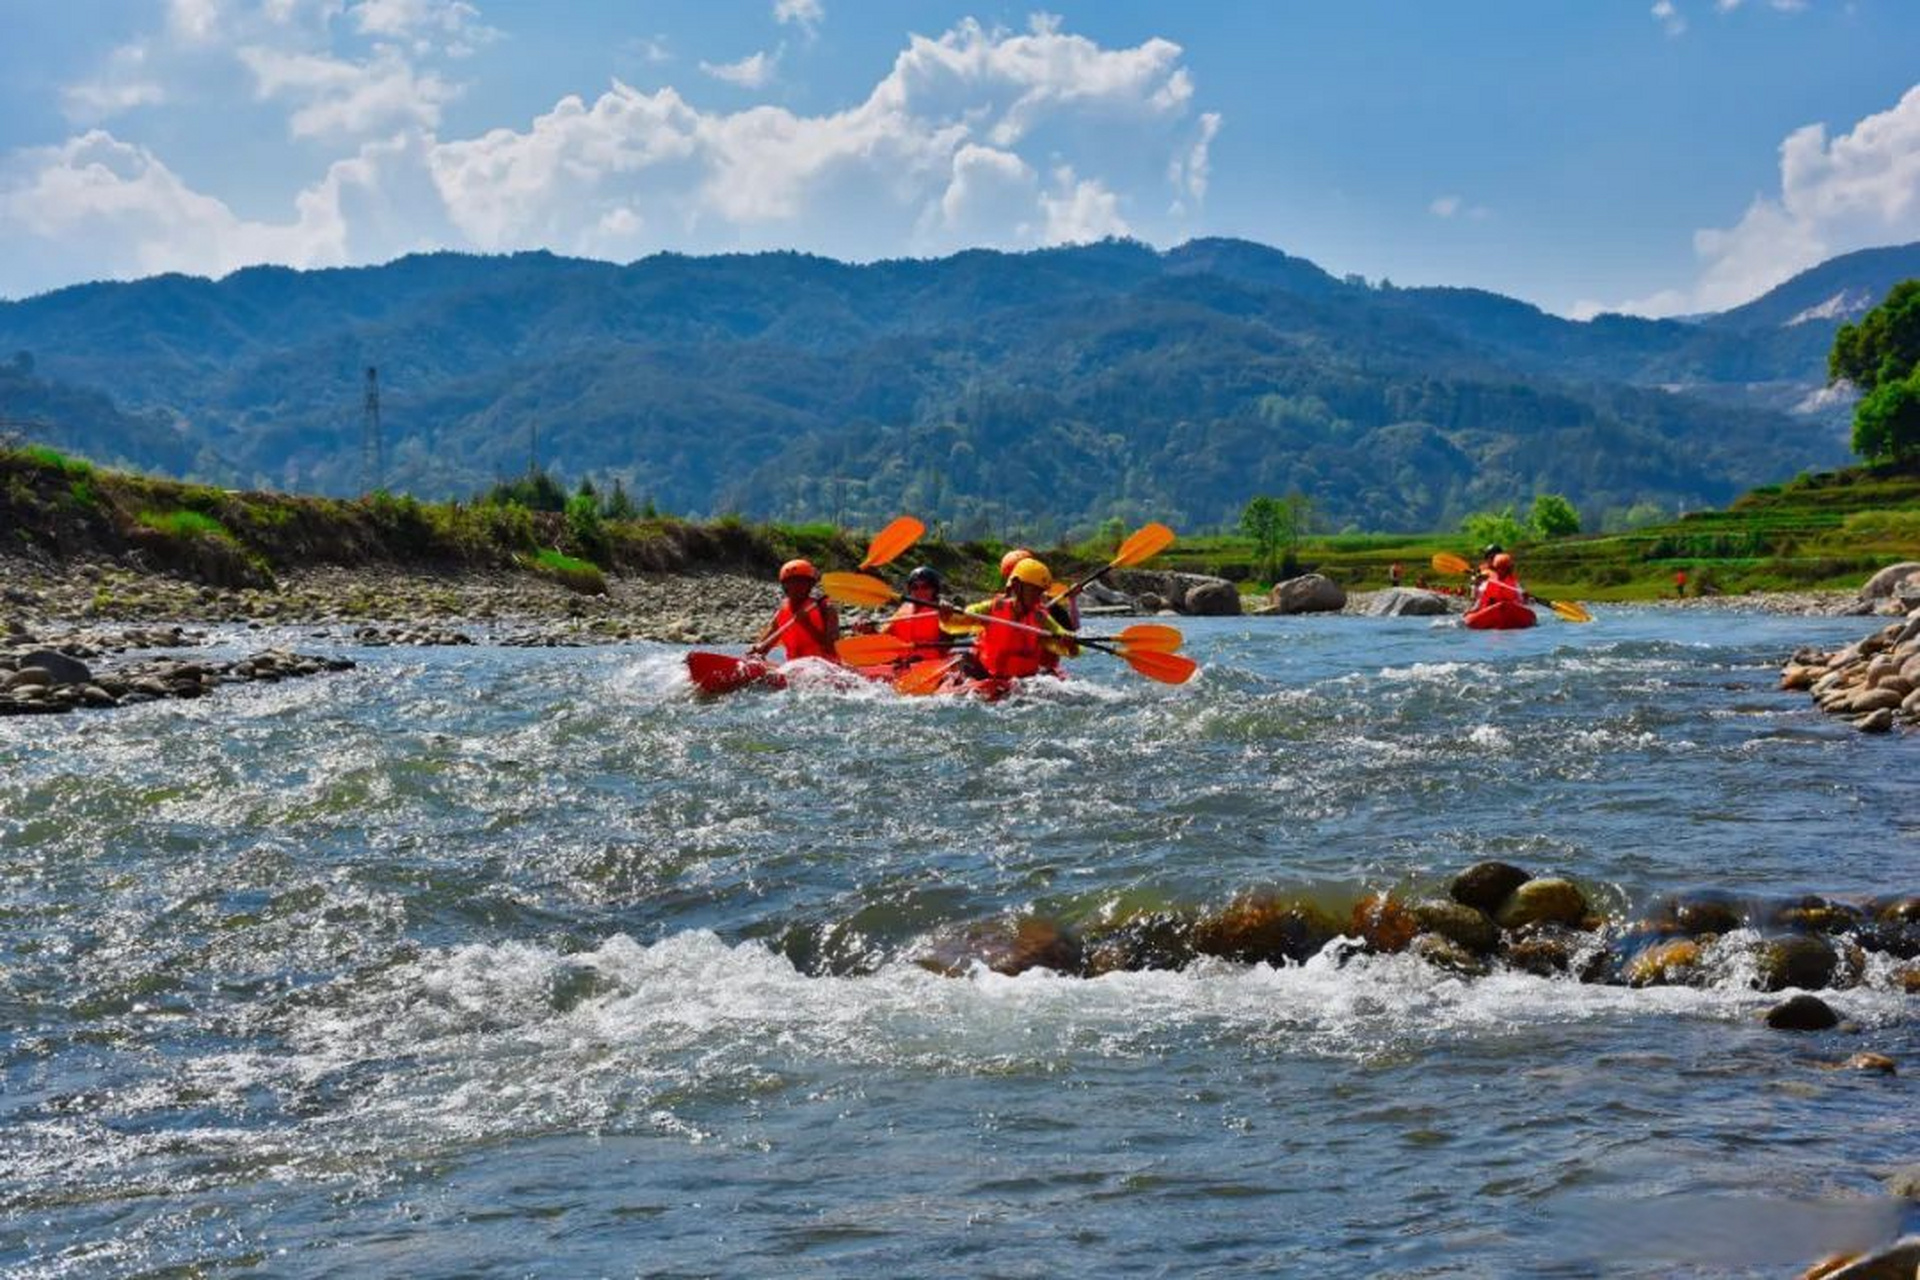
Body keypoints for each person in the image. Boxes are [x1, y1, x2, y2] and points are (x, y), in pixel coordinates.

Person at [955, 557, 1077, 680]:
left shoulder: (1041, 617)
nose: (1038, 598)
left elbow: (1064, 638)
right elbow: (963, 617)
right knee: (967, 659)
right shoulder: (992, 608)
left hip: (1023, 682)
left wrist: (1070, 644)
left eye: (1041, 592)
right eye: (1034, 591)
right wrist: (947, 614)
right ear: (1017, 586)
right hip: (987, 675)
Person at [749, 559, 839, 661]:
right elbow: (763, 646)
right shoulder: (781, 612)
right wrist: (757, 650)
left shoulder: (826, 609)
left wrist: (807, 625)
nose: (795, 587)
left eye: (801, 582)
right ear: (784, 586)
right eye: (790, 583)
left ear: (810, 585)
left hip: (823, 668)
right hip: (793, 669)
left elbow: (831, 648)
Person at [884, 566, 951, 663]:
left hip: (930, 666)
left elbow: (949, 641)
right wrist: (868, 630)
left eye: (925, 587)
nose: (920, 591)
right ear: (910, 590)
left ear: (934, 589)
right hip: (902, 665)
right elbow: (883, 637)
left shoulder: (942, 610)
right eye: (915, 587)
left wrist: (946, 620)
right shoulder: (903, 610)